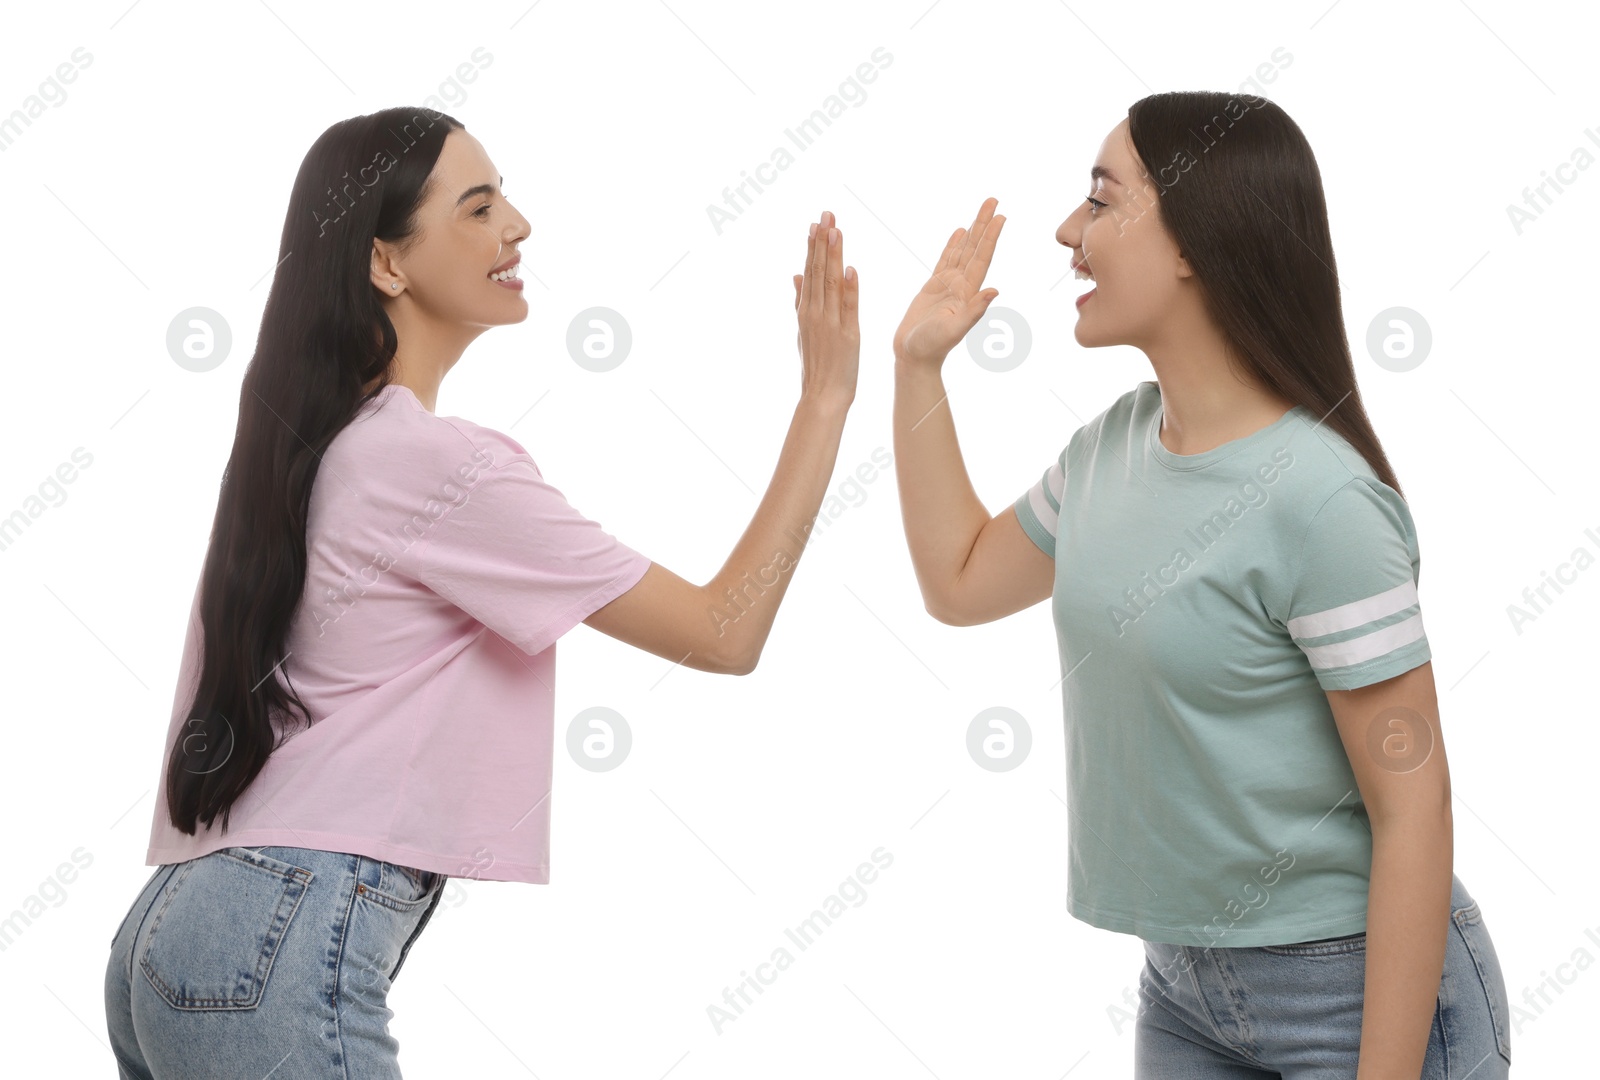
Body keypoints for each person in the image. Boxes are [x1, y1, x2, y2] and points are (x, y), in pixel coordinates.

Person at [103, 105, 859, 1078]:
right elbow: (724, 629)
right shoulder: (434, 466)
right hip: (270, 948)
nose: (518, 226)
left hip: (170, 930)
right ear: (387, 263)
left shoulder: (308, 452)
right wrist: (824, 402)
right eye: (477, 205)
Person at [889, 91, 1513, 1079]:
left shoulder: (1321, 500)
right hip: (1182, 994)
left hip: (1357, 991)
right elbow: (960, 582)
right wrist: (917, 369)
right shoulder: (1110, 450)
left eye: (1099, 201)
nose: (1066, 232)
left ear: (1192, 238)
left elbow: (1414, 812)